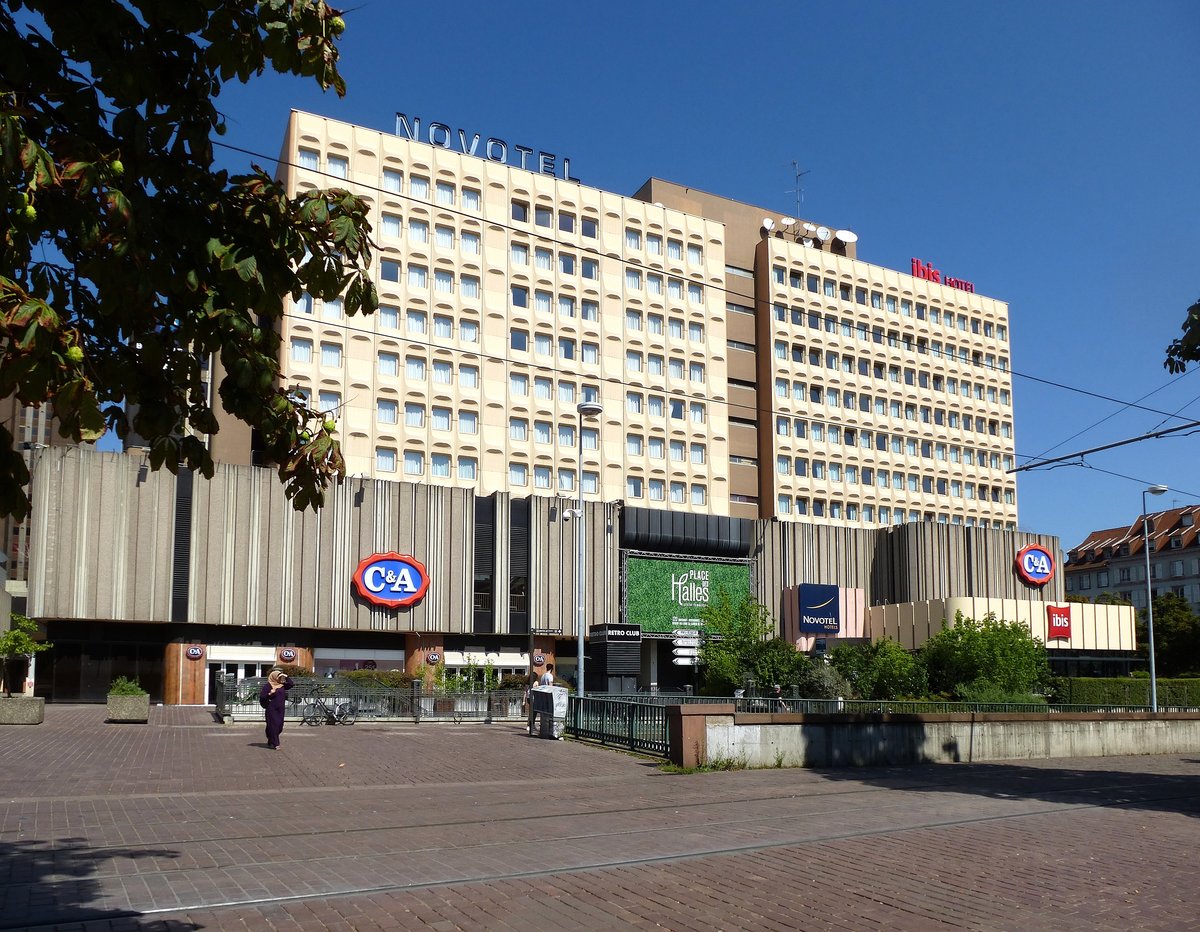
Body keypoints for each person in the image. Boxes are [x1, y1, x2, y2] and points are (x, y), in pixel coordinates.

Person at [260, 669, 293, 750]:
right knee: (273, 725)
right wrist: (270, 693)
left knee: (279, 726)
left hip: (280, 709)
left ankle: (270, 739)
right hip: (271, 709)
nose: (280, 678)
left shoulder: (282, 685)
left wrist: (286, 676)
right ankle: (276, 744)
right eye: (278, 677)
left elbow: (291, 684)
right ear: (273, 677)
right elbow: (262, 697)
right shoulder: (268, 686)